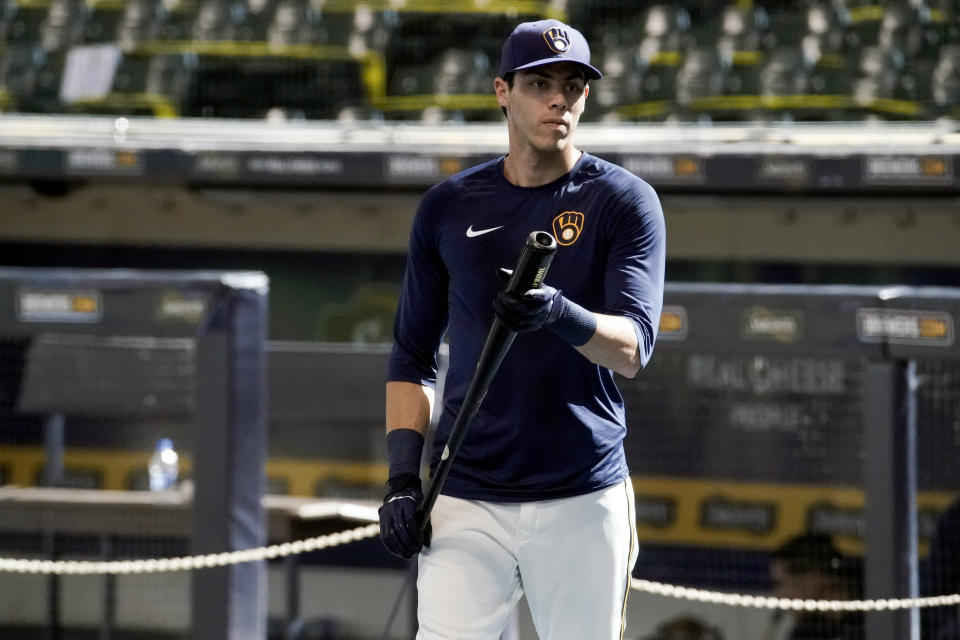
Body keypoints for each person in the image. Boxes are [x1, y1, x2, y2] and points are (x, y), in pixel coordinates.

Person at [377, 17, 667, 640]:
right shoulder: (449, 206)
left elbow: (634, 349)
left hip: (581, 493)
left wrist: (559, 313)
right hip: (465, 490)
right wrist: (403, 480)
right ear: (503, 91)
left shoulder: (624, 200)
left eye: (573, 85)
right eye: (540, 83)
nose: (559, 98)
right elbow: (411, 357)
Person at [764, 533, 864, 640]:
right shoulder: (809, 630)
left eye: (780, 584)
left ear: (814, 578)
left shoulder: (870, 623)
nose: (778, 596)